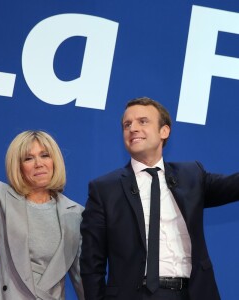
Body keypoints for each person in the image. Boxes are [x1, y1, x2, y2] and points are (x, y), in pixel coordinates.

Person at [80, 96, 239, 300]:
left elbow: (234, 186)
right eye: (127, 124)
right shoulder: (104, 189)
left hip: (193, 293)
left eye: (143, 121)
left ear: (164, 131)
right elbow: (91, 263)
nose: (133, 128)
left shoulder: (192, 175)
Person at [0, 95, 85, 300]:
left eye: (45, 155)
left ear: (54, 161)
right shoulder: (1, 198)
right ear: (18, 167)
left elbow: (81, 277)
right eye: (28, 158)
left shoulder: (76, 214)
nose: (39, 163)